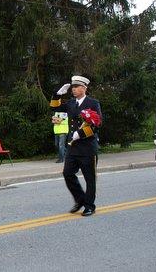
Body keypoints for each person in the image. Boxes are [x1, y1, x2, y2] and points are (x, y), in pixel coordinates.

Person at [50, 75, 102, 217]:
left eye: (76, 87)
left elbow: (97, 124)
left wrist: (81, 134)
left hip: (87, 148)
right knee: (67, 173)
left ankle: (89, 206)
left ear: (84, 88)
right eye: (72, 87)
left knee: (89, 178)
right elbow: (55, 108)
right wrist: (57, 94)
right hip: (73, 148)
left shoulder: (93, 103)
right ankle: (80, 199)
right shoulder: (71, 103)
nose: (73, 89)